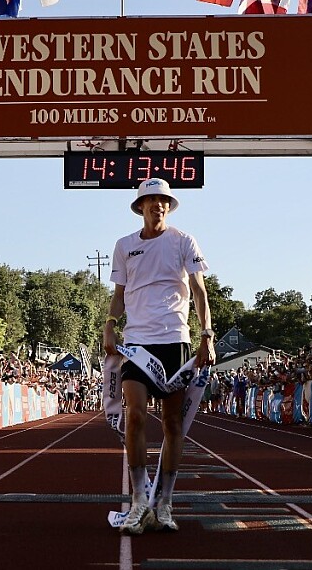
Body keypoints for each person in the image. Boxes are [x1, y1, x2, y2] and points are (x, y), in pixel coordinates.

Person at [103, 178, 214, 535]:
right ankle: (139, 499)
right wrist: (109, 325)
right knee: (135, 415)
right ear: (141, 207)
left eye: (164, 200)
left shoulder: (184, 241)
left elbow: (199, 291)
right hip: (137, 343)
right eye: (151, 200)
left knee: (172, 424)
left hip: (175, 341)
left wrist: (207, 335)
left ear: (169, 206)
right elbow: (119, 295)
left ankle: (164, 502)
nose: (158, 205)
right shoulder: (124, 246)